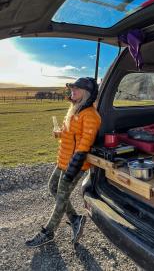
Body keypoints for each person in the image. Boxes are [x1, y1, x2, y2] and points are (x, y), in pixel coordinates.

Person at [25, 77, 101, 248]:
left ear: (86, 92)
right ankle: (75, 219)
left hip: (75, 164)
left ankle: (48, 232)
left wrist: (72, 170)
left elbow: (84, 145)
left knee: (61, 196)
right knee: (53, 187)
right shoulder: (75, 109)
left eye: (76, 89)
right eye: (72, 88)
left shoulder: (91, 116)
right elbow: (73, 135)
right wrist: (60, 133)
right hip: (63, 160)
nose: (72, 91)